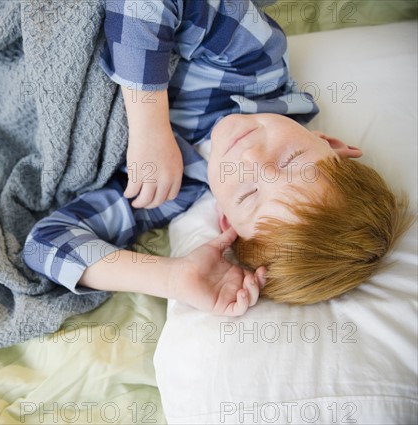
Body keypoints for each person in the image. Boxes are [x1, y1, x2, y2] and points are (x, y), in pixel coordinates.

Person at [22, 0, 412, 315]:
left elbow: (45, 243)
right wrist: (148, 127)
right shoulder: (255, 65)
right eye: (291, 159)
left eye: (249, 194)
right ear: (332, 142)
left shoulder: (171, 194)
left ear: (226, 220)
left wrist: (171, 277)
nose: (251, 159)